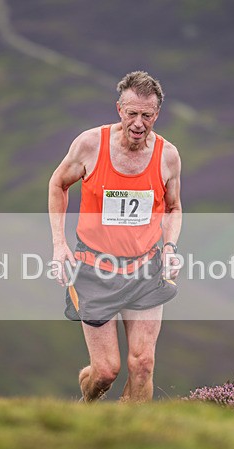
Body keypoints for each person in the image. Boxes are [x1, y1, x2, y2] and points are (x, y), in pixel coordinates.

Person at [48, 71, 183, 402]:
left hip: (145, 269)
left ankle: (131, 440)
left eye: (147, 115)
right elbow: (57, 185)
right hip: (94, 270)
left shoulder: (168, 156)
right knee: (107, 371)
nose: (138, 123)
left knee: (143, 364)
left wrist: (168, 249)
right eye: (132, 113)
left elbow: (173, 207)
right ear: (119, 110)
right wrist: (59, 245)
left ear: (157, 115)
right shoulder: (90, 145)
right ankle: (88, 401)